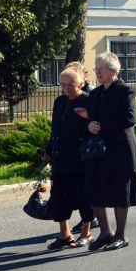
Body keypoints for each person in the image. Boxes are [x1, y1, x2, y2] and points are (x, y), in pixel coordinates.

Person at [74, 52, 136, 251]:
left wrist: (100, 125)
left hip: (121, 151)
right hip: (98, 152)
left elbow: (129, 118)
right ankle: (105, 232)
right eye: (96, 68)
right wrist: (89, 124)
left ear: (113, 71)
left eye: (100, 69)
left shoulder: (125, 90)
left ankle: (120, 235)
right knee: (93, 190)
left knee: (121, 194)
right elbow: (93, 117)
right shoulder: (95, 94)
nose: (97, 72)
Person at [42, 67, 95, 250]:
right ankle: (64, 235)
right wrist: (49, 150)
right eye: (63, 85)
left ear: (81, 84)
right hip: (60, 159)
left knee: (82, 197)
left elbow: (97, 126)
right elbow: (55, 129)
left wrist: (87, 118)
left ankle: (86, 233)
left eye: (71, 84)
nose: (67, 88)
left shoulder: (88, 101)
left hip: (80, 159)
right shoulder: (60, 101)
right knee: (58, 197)